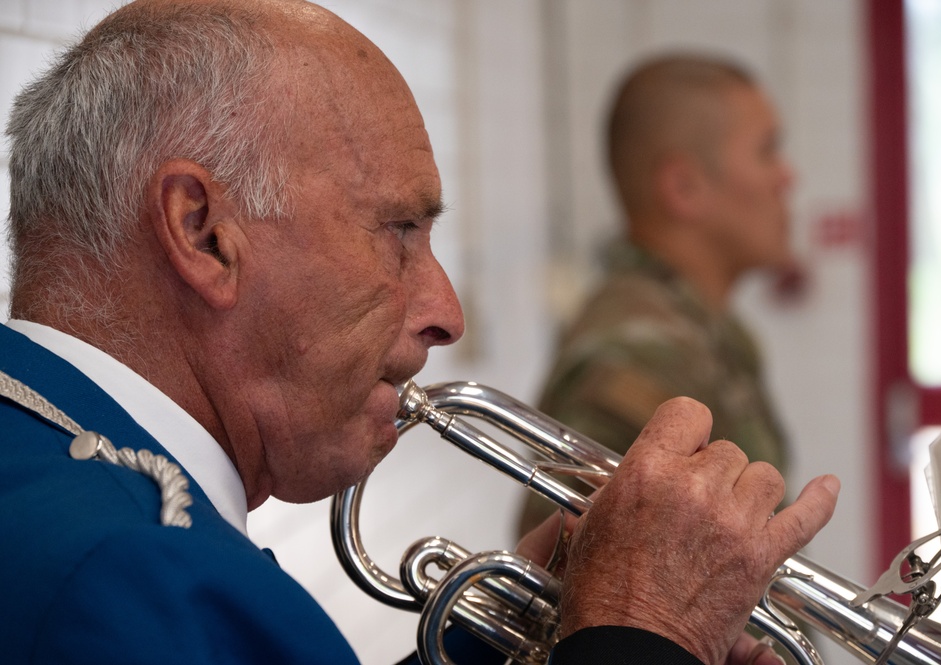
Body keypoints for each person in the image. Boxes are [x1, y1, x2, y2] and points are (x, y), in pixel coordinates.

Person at [0, 2, 839, 664]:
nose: (445, 309)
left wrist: (549, 633)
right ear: (204, 232)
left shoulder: (59, 470)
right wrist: (638, 636)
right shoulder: (127, 577)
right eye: (398, 229)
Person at [520, 54, 796, 534]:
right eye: (766, 151)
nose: (787, 177)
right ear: (684, 187)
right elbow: (565, 574)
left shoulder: (710, 330)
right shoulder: (635, 353)